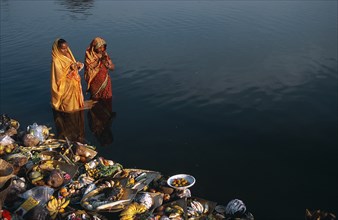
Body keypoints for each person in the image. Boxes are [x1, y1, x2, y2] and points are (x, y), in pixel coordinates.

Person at [51, 38, 85, 112]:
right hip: (66, 87)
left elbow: (73, 65)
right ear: (57, 49)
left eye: (66, 48)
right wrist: (70, 69)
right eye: (63, 48)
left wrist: (77, 66)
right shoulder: (56, 60)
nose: (66, 50)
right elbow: (59, 77)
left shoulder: (68, 55)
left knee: (75, 105)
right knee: (68, 106)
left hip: (74, 84)